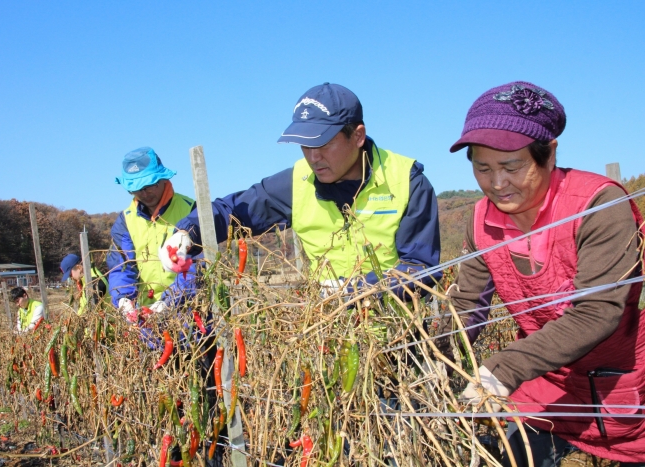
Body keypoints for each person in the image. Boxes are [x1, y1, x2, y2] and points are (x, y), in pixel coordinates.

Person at [445, 81, 645, 466]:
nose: (497, 184)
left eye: (511, 166)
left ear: (549, 154)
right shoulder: (480, 220)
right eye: (482, 168)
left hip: (620, 389)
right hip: (544, 392)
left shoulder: (599, 205)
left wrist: (504, 368)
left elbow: (597, 311)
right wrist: (431, 352)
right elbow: (465, 307)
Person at [160, 83, 441, 297]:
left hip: (399, 336)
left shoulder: (407, 181)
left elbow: (420, 268)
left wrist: (355, 291)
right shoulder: (298, 181)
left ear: (357, 136)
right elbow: (233, 210)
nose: (313, 157)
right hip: (328, 339)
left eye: (323, 143)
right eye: (305, 145)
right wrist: (187, 232)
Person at [107, 147, 198, 320]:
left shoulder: (190, 210)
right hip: (145, 315)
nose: (144, 193)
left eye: (149, 186)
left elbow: (199, 264)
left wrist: (170, 301)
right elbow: (122, 266)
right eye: (137, 189)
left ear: (162, 178)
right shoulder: (126, 220)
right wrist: (123, 298)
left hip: (188, 310)